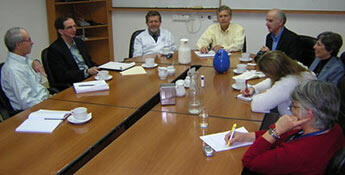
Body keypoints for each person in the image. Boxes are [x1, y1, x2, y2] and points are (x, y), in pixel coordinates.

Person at [225, 80, 345, 175]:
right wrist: (249, 136)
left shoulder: (298, 153)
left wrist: (276, 130)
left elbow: (249, 160)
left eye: (295, 107)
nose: (291, 110)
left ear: (309, 114)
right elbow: (289, 133)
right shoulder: (332, 127)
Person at [242, 51, 316, 115]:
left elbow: (257, 106)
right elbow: (272, 80)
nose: (266, 76)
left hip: (292, 122)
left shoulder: (287, 83)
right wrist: (254, 88)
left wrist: (263, 93)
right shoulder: (296, 67)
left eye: (268, 74)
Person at [1, 27, 49, 111]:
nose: (32, 43)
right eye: (29, 40)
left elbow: (36, 80)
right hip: (34, 110)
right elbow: (26, 103)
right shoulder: (13, 70)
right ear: (18, 45)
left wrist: (35, 61)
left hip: (45, 99)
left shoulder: (24, 60)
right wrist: (49, 104)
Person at [47, 16, 98, 90]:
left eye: (74, 26)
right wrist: (86, 72)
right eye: (69, 27)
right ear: (61, 31)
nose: (74, 30)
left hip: (89, 79)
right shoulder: (54, 49)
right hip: (74, 84)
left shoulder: (79, 42)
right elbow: (63, 75)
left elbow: (89, 62)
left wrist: (100, 68)